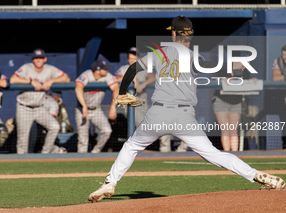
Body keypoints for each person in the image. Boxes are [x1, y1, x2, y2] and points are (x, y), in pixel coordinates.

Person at [88, 16, 285, 203]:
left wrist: (122, 92)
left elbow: (132, 69)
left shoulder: (158, 53)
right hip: (184, 116)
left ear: (173, 34)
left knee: (131, 146)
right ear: (190, 35)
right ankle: (254, 174)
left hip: (158, 113)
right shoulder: (192, 56)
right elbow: (211, 67)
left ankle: (110, 183)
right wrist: (232, 66)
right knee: (213, 154)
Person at [10, 48, 70, 154]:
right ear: (33, 60)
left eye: (41, 58)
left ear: (45, 59)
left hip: (39, 108)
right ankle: (20, 165)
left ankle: (45, 153)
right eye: (36, 58)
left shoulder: (50, 69)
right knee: (22, 141)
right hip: (24, 107)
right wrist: (30, 81)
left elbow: (66, 78)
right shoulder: (27, 68)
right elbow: (13, 79)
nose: (38, 60)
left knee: (54, 127)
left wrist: (51, 81)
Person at [212, 57, 258, 151]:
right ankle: (227, 153)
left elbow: (247, 81)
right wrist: (224, 80)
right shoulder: (224, 69)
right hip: (221, 101)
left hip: (236, 102)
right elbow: (218, 80)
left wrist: (252, 80)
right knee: (225, 129)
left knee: (233, 130)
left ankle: (235, 154)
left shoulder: (244, 72)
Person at [75, 60, 119, 153]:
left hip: (96, 110)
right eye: (104, 69)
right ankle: (81, 162)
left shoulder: (107, 76)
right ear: (97, 70)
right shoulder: (86, 75)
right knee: (83, 140)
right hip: (82, 109)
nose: (107, 70)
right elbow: (78, 87)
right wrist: (84, 106)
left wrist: (113, 107)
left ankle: (95, 152)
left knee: (107, 131)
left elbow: (116, 88)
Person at [272, 45, 286, 149]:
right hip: (282, 96)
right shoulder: (278, 61)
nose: (284, 57)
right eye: (283, 55)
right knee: (284, 121)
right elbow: (275, 78)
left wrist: (282, 77)